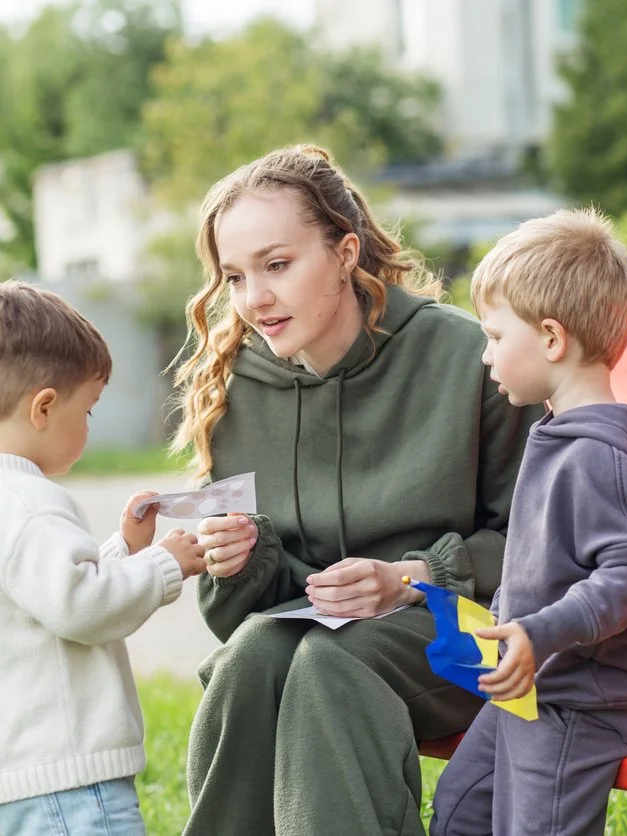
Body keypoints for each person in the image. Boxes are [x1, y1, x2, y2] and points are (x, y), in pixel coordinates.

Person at [169, 145, 541, 836]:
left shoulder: (465, 359)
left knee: (329, 665)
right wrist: (241, 559)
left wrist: (411, 578)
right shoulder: (236, 389)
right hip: (322, 644)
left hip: (485, 642)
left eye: (277, 265)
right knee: (247, 659)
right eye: (235, 276)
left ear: (344, 252)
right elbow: (236, 620)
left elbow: (539, 549)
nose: (255, 299)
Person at [429, 209, 627, 836]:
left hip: (590, 699)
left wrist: (541, 632)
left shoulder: (599, 456)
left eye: (495, 337)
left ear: (552, 338)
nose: (485, 355)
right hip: (543, 686)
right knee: (462, 808)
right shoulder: (560, 433)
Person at [0, 279, 206, 835]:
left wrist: (123, 548)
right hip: (66, 778)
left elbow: (48, 593)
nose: (88, 426)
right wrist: (165, 563)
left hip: (20, 774)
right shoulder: (29, 502)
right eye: (87, 411)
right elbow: (83, 607)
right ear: (43, 407)